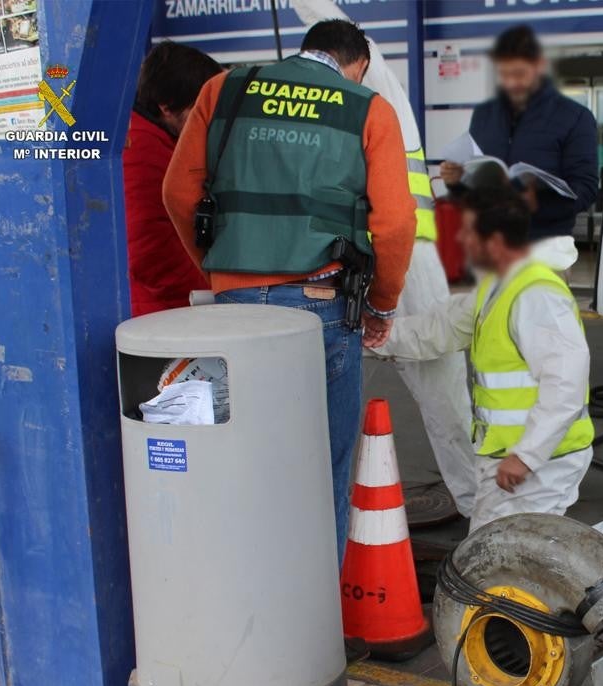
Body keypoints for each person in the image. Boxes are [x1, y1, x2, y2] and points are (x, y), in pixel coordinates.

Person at [163, 19, 416, 560]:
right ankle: (314, 623)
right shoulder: (367, 108)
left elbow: (178, 191)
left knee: (239, 462)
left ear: (306, 50)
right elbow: (394, 224)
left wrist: (219, 268)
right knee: (321, 466)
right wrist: (381, 305)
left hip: (230, 311)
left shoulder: (223, 88)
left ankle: (251, 609)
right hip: (319, 306)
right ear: (360, 65)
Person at [373, 187, 592, 531]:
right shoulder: (499, 286)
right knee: (510, 551)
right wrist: (374, 338)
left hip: (541, 462)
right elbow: (440, 328)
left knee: (502, 558)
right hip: (512, 458)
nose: (462, 237)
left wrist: (527, 456)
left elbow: (566, 383)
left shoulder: (536, 294)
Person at [357, 39, 479, 519]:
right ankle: (478, 505)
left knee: (440, 378)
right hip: (400, 260)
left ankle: (478, 505)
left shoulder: (371, 99)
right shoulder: (380, 98)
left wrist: (378, 332)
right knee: (444, 390)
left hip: (402, 260)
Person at [438, 25, 598, 271]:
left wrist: (538, 204)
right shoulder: (484, 115)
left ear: (540, 66)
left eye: (520, 73)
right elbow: (475, 191)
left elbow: (586, 189)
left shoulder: (576, 117)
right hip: (492, 252)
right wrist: (457, 181)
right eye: (505, 74)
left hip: (545, 253)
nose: (512, 83)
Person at [124, 41, 220, 317]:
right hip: (162, 312)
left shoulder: (157, 139)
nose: (208, 117)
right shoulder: (142, 149)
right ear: (166, 107)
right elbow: (148, 250)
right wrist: (211, 291)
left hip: (167, 307)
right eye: (198, 107)